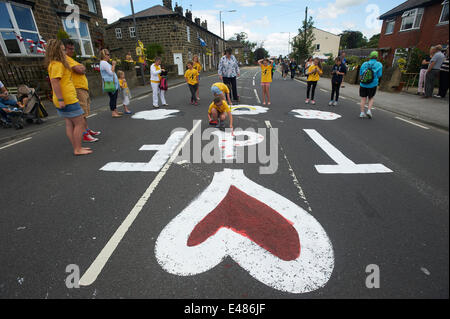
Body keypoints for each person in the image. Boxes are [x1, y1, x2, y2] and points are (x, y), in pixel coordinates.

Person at [46, 39, 91, 155]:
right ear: (56, 51)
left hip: (65, 98)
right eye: (62, 50)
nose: (64, 52)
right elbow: (55, 82)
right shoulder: (57, 64)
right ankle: (77, 148)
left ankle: (77, 147)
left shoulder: (55, 64)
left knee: (70, 123)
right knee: (80, 123)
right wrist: (61, 99)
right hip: (67, 98)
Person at [64, 39, 100, 143]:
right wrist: (80, 67)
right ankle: (84, 134)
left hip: (83, 89)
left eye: (73, 48)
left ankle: (87, 130)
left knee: (85, 112)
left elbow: (82, 69)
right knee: (82, 113)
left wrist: (81, 67)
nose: (72, 51)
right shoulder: (66, 59)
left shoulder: (71, 59)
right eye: (69, 49)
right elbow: (80, 69)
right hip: (77, 89)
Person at [359, 51, 383, 119]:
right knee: (371, 98)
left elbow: (361, 73)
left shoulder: (364, 64)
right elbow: (379, 75)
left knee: (363, 98)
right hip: (373, 84)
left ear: (370, 56)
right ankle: (369, 111)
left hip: (363, 84)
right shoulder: (379, 64)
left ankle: (362, 113)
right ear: (377, 57)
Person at [100, 49, 122, 118]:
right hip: (110, 83)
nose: (109, 56)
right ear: (104, 55)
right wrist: (113, 65)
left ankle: (115, 110)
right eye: (108, 54)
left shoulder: (104, 63)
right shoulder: (104, 63)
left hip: (111, 82)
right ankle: (113, 112)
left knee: (114, 97)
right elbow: (110, 73)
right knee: (113, 98)